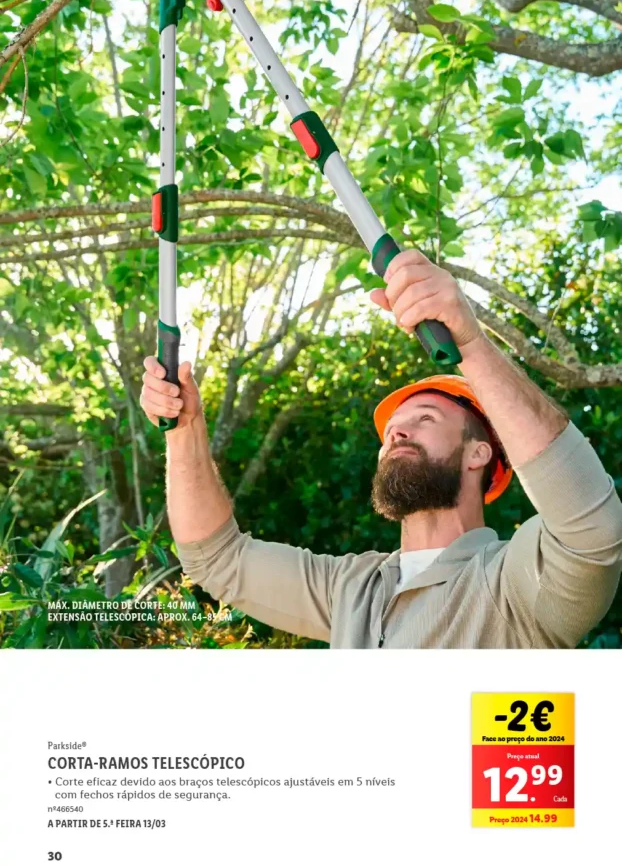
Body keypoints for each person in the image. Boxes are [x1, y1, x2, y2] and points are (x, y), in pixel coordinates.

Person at [140, 249, 622, 648]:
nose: (397, 432)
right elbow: (216, 561)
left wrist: (469, 343)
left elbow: (591, 528)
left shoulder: (515, 584)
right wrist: (184, 430)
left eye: (425, 419)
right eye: (392, 428)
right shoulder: (351, 590)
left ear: (480, 454)